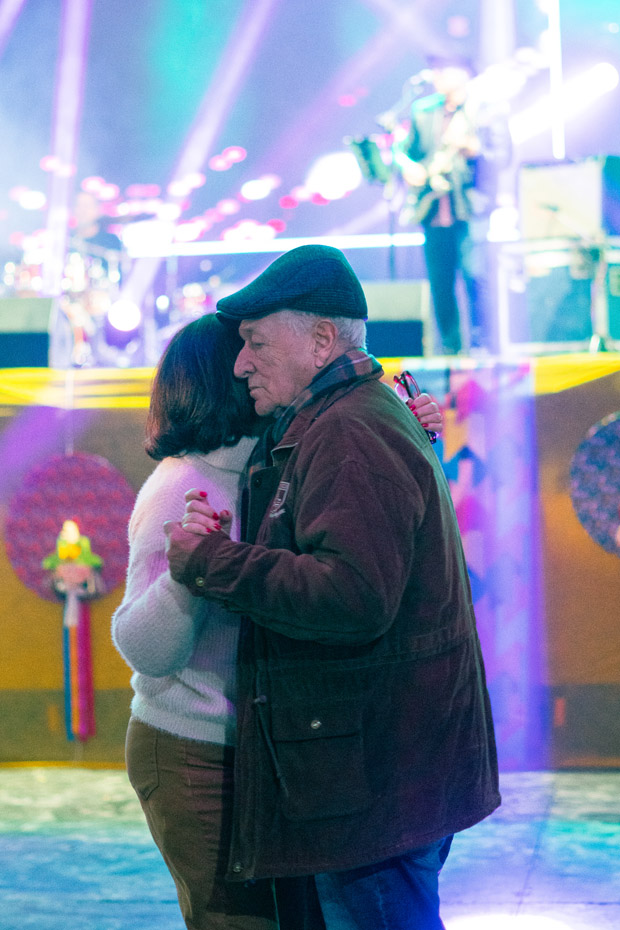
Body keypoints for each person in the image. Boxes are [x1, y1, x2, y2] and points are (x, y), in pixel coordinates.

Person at [165, 244, 501, 930]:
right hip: (368, 777)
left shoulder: (350, 430)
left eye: (256, 342)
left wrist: (210, 560)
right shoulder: (340, 420)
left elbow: (350, 596)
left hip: (374, 788)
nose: (240, 363)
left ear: (321, 340)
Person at [111, 309, 442, 930]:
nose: (251, 364)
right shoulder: (183, 484)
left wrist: (410, 435)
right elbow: (145, 650)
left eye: (258, 347)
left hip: (272, 750)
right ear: (223, 379)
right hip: (198, 750)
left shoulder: (287, 461)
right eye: (244, 352)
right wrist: (192, 570)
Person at [388, 56, 511, 354]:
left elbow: (503, 157)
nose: (438, 75)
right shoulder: (423, 110)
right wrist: (408, 168)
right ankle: (451, 350)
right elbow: (405, 152)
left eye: (445, 69)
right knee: (440, 284)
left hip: (469, 209)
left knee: (476, 278)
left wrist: (475, 151)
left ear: (465, 73)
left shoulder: (486, 110)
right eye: (436, 69)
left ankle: (484, 347)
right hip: (432, 210)